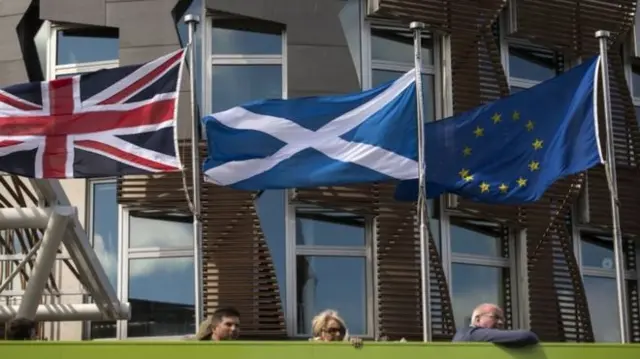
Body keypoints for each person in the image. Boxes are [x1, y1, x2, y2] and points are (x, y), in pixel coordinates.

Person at [452, 303, 539, 347]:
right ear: (478, 319)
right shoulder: (473, 333)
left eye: (502, 319)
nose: (500, 322)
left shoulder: (464, 334)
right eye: (495, 317)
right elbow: (525, 336)